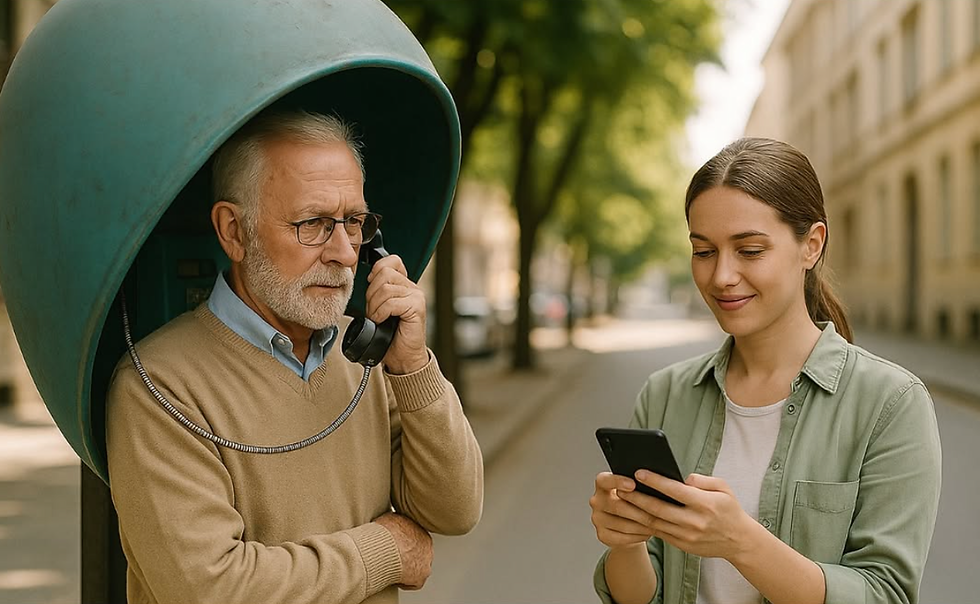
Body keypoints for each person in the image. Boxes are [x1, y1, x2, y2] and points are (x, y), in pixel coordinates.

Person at [106, 110, 484, 604]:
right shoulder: (160, 384)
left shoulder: (365, 357)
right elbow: (208, 588)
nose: (346, 253)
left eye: (354, 222)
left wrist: (413, 368)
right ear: (234, 232)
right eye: (314, 224)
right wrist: (383, 551)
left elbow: (455, 509)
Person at [589, 137, 941, 604]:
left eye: (750, 250)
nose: (721, 277)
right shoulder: (665, 394)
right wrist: (626, 542)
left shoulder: (890, 403)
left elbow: (886, 595)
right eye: (704, 251)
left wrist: (740, 542)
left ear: (811, 246)